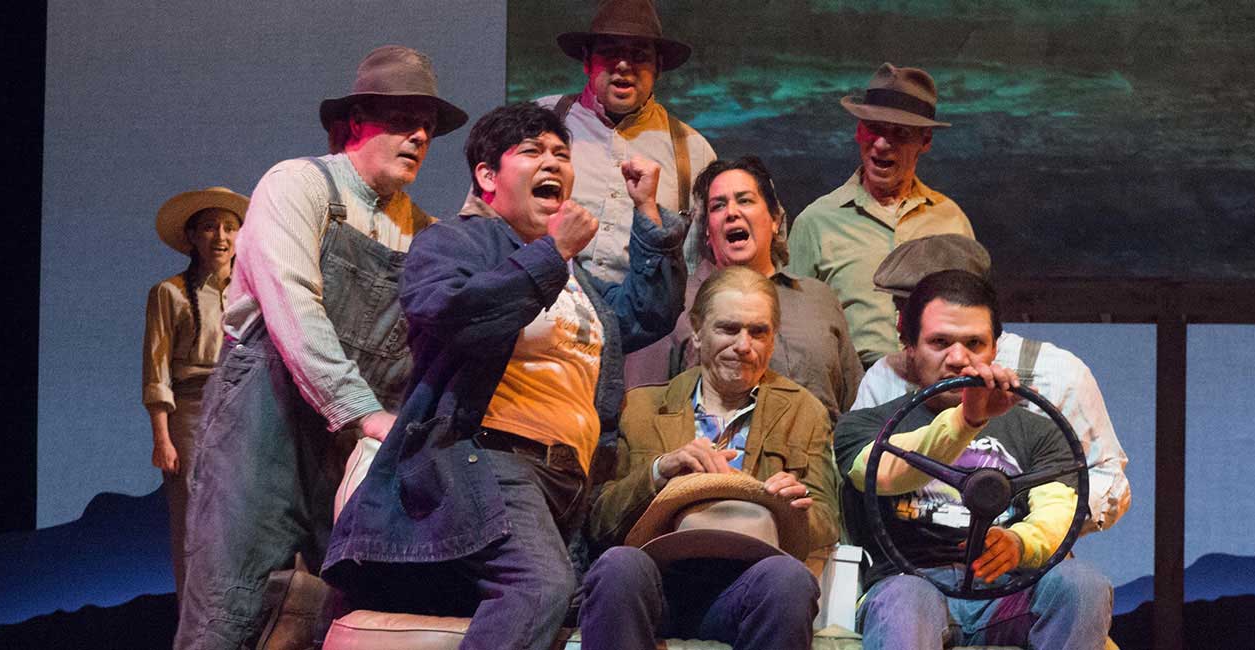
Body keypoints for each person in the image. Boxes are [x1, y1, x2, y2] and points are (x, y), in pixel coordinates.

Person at [323, 101, 686, 650]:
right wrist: (554, 252)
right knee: (539, 584)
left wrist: (648, 212)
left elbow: (646, 313)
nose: (554, 164)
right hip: (488, 460)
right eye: (533, 152)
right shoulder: (454, 243)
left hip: (566, 486)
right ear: (488, 177)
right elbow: (452, 315)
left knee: (584, 590)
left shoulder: (575, 279)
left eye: (562, 154)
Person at [178, 45, 467, 650]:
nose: (417, 135)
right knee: (230, 613)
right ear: (355, 123)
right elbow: (292, 306)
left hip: (353, 449)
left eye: (427, 126)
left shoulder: (429, 234)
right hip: (266, 427)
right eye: (400, 118)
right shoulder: (298, 184)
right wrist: (363, 413)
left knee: (338, 622)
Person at [835, 270, 1112, 650]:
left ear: (994, 348)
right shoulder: (865, 425)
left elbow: (1058, 513)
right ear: (909, 345)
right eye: (940, 342)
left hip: (1005, 594)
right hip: (909, 590)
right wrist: (968, 419)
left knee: (1081, 584)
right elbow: (881, 473)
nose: (958, 358)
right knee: (906, 597)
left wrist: (1020, 541)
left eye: (974, 343)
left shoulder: (1038, 432)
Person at [579, 267, 837, 650]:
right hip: (658, 580)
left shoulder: (805, 411)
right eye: (728, 329)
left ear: (773, 337)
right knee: (618, 566)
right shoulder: (643, 406)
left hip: (746, 585)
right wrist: (657, 471)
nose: (743, 346)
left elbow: (827, 525)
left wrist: (795, 509)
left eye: (758, 332)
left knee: (789, 579)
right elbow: (598, 521)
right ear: (697, 331)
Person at [850, 234, 1132, 532]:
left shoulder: (1055, 371)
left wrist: (1037, 528)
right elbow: (860, 470)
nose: (902, 323)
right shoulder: (886, 375)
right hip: (914, 557)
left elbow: (1106, 479)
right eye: (902, 308)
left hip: (1031, 559)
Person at [635, 156, 863, 421]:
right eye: (718, 205)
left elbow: (855, 405)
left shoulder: (818, 298)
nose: (732, 212)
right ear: (707, 230)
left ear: (775, 219)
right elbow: (645, 411)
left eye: (745, 200)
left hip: (819, 456)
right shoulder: (674, 304)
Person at [786, 63, 972, 368]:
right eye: (874, 129)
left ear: (925, 141)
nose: (882, 144)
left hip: (936, 393)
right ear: (859, 131)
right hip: (852, 395)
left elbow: (974, 317)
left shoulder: (951, 222)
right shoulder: (816, 222)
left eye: (899, 133)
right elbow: (793, 330)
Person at [537, 0, 716, 285]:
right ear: (587, 59)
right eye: (609, 52)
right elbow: (487, 219)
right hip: (544, 312)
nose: (623, 64)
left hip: (646, 324)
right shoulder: (540, 122)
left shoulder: (693, 151)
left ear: (658, 66)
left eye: (639, 55)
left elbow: (697, 267)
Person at [143, 186, 245, 593]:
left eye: (229, 228)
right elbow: (156, 369)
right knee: (192, 522)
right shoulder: (169, 293)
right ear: (192, 237)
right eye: (209, 227)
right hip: (190, 411)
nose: (220, 237)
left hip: (243, 406)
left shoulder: (253, 290)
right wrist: (162, 438)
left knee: (243, 517)